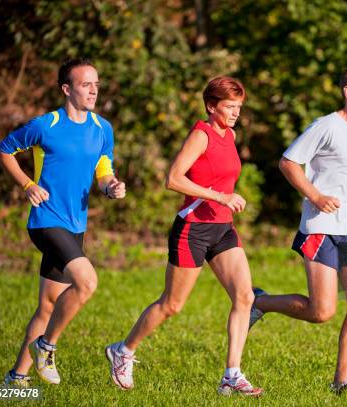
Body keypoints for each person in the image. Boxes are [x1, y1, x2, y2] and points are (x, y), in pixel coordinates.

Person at [105, 76, 262, 397]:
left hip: (223, 228)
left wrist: (227, 197)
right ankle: (124, 350)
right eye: (230, 107)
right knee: (172, 305)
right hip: (192, 230)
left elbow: (219, 177)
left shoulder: (229, 135)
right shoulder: (201, 135)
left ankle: (232, 374)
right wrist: (219, 196)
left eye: (239, 107)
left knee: (244, 297)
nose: (236, 113)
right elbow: (173, 179)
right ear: (211, 106)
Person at [249, 65, 347, 394]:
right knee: (322, 312)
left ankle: (342, 381)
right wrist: (314, 195)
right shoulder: (326, 126)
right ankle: (260, 302)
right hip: (321, 229)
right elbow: (288, 162)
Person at [0, 58, 126, 387]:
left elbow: (103, 169)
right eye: (86, 84)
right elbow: (5, 150)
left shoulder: (102, 129)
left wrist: (110, 186)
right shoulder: (46, 125)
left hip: (75, 224)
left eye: (96, 84)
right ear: (67, 89)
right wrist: (28, 185)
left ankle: (15, 380)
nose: (94, 90)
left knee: (48, 304)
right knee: (86, 283)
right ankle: (46, 346)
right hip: (45, 220)